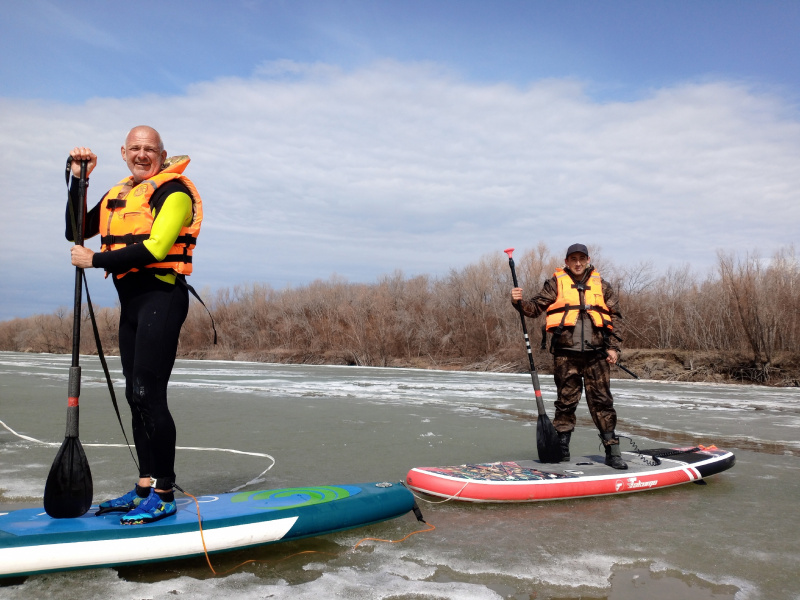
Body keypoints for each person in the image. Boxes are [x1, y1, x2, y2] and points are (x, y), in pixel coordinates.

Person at [65, 126, 203, 523]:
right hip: (133, 305)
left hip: (162, 299)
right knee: (134, 395)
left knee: (148, 392)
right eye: (136, 149)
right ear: (124, 152)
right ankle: (144, 484)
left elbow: (157, 247)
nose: (143, 155)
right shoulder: (118, 194)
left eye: (150, 149)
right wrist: (79, 179)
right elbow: (74, 229)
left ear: (162, 154)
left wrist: (95, 261)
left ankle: (163, 492)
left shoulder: (172, 192)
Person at [511, 243, 628, 470]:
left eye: (581, 258)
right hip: (566, 356)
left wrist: (614, 348)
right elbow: (534, 308)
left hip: (597, 355)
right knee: (565, 404)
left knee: (603, 404)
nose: (577, 263)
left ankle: (613, 452)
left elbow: (616, 317)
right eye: (573, 259)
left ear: (587, 259)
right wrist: (518, 301)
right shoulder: (555, 283)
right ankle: (562, 452)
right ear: (566, 261)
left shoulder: (602, 286)